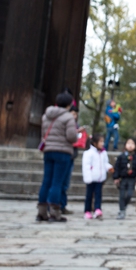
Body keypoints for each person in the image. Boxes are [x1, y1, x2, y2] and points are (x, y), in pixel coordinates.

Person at [37, 92, 79, 223]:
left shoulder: (46, 115)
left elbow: (44, 133)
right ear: (69, 104)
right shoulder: (68, 117)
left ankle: (41, 212)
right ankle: (55, 213)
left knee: (46, 181)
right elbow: (71, 136)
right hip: (63, 152)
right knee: (57, 182)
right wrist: (77, 135)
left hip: (48, 150)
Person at [82, 134, 111, 219]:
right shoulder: (88, 153)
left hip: (100, 178)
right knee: (89, 195)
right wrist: (88, 178)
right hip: (91, 178)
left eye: (103, 141)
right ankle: (87, 210)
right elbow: (86, 166)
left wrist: (109, 167)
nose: (102, 143)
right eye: (100, 141)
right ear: (94, 143)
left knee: (98, 194)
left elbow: (105, 163)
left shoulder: (103, 153)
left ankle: (97, 209)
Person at [112, 138, 136, 220]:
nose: (130, 145)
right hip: (123, 178)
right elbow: (117, 167)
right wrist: (116, 177)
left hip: (132, 179)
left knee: (129, 194)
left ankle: (123, 207)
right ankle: (122, 211)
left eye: (132, 144)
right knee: (122, 195)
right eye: (128, 143)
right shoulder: (121, 157)